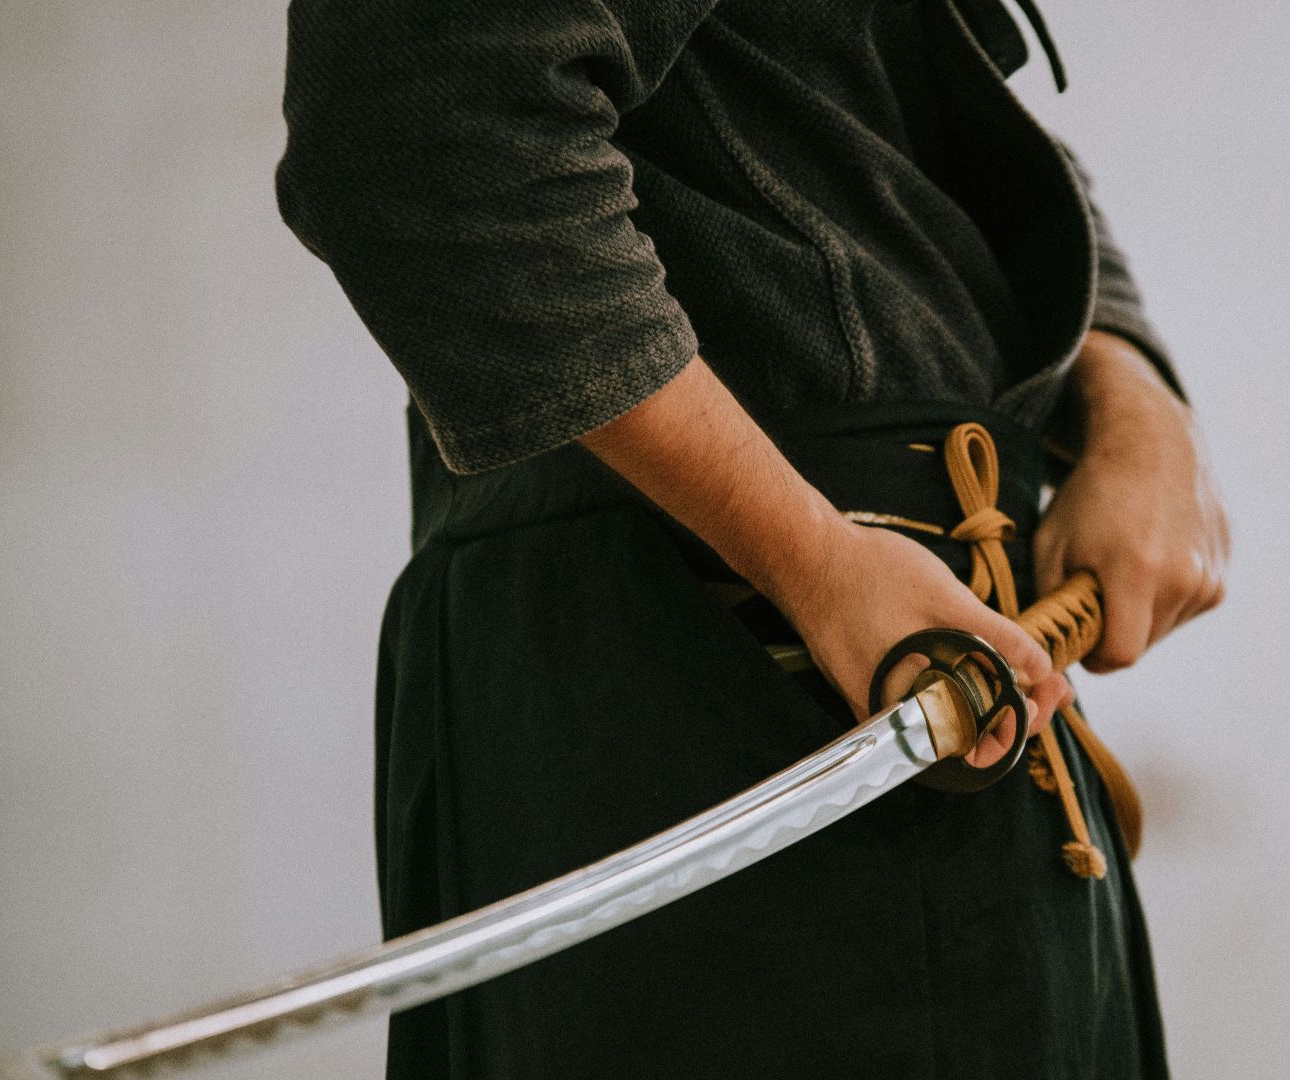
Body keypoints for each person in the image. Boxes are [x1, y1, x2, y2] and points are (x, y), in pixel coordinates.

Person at [276, 0, 1228, 1076]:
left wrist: (1133, 393)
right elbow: (420, 116)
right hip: (741, 666)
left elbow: (908, 119)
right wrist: (808, 555)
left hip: (911, 661)